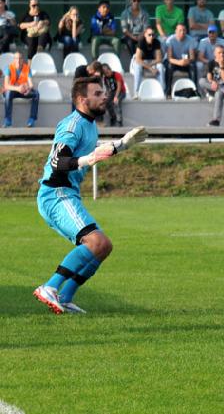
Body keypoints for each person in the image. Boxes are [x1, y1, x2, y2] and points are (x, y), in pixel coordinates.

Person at [32, 77, 147, 315]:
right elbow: (58, 162)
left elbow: (93, 152)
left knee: (103, 246)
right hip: (56, 193)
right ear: (82, 100)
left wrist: (122, 145)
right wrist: (88, 159)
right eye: (98, 93)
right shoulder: (72, 125)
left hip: (67, 194)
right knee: (95, 242)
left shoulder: (90, 124)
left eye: (103, 92)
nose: (105, 96)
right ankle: (49, 287)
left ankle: (65, 297)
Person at [3, 51, 39, 128]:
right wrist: (17, 88)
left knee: (36, 94)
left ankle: (32, 119)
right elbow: (6, 85)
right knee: (8, 93)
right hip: (11, 90)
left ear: (23, 60)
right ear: (14, 60)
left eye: (20, 58)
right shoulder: (9, 68)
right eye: (16, 58)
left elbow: (31, 84)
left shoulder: (27, 68)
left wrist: (28, 89)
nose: (18, 60)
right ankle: (8, 120)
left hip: (22, 91)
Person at [203, 44, 224, 127]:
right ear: (215, 54)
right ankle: (221, 90)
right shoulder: (211, 63)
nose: (222, 54)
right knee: (201, 81)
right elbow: (209, 77)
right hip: (215, 88)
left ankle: (216, 120)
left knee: (219, 93)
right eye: (219, 53)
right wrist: (212, 81)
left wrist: (222, 66)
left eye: (223, 53)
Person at [164, 24, 197, 96]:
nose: (182, 32)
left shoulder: (190, 40)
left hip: (185, 62)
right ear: (176, 31)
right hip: (174, 62)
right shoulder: (170, 40)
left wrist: (186, 61)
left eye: (184, 30)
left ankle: (194, 89)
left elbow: (192, 57)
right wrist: (179, 62)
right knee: (169, 66)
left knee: (193, 65)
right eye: (180, 30)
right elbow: (169, 58)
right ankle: (168, 90)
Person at [101, 63, 126, 127]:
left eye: (107, 72)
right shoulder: (105, 78)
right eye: (105, 73)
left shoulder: (117, 75)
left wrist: (116, 97)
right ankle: (113, 117)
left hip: (121, 92)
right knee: (107, 102)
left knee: (117, 102)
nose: (106, 74)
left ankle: (119, 121)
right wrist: (106, 95)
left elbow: (119, 87)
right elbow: (108, 88)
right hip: (112, 92)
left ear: (110, 69)